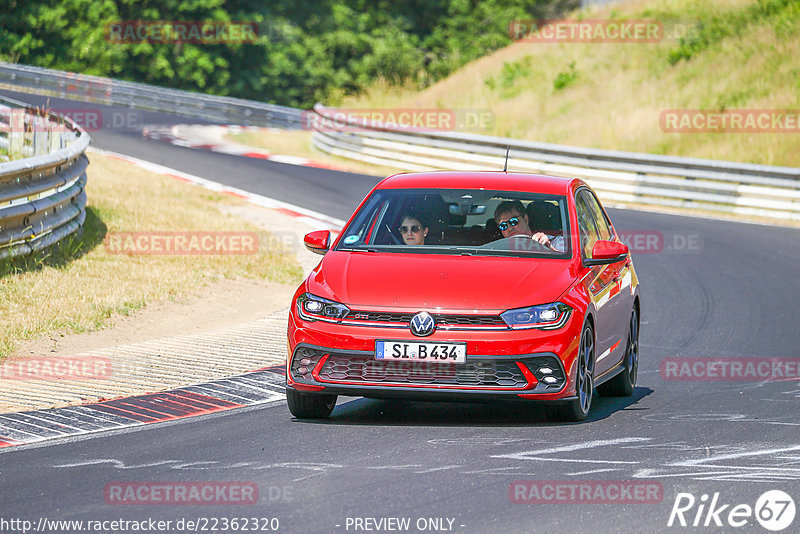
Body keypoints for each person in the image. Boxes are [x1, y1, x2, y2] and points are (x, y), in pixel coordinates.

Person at [494, 200, 564, 252]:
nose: (509, 228)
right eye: (503, 226)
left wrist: (548, 247)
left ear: (525, 219)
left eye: (513, 221)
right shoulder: (497, 250)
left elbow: (567, 266)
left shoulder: (556, 241)